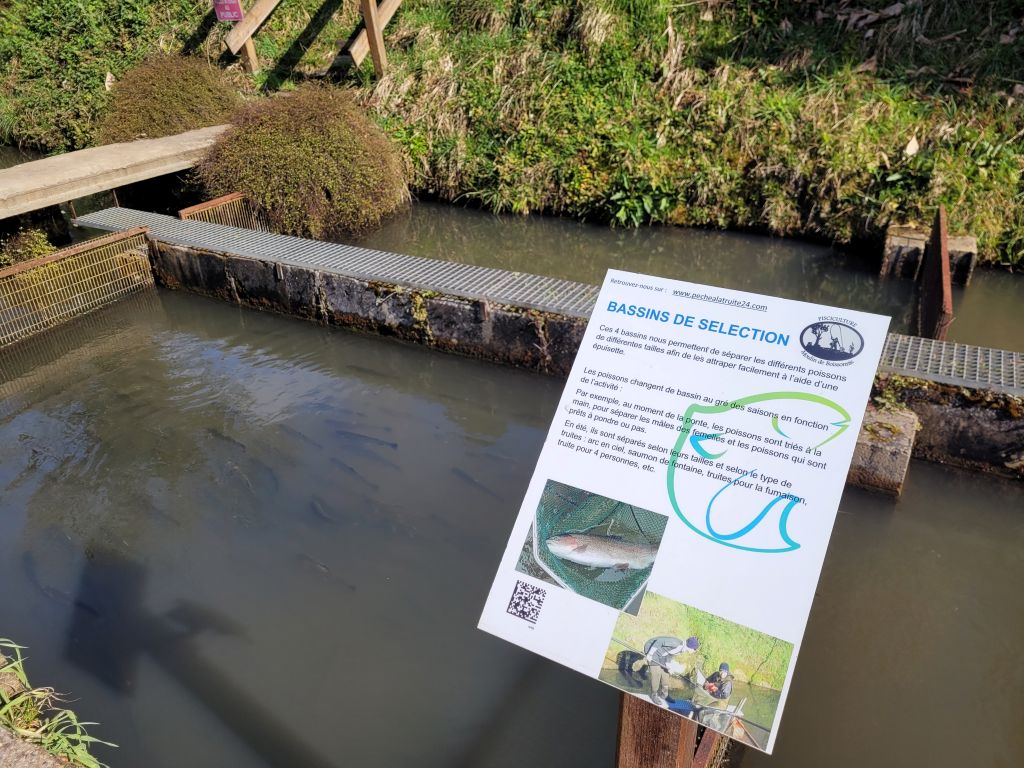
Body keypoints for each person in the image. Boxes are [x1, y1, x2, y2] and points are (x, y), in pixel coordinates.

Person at [631, 635, 699, 707]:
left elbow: (670, 654)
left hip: (662, 655)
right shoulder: (676, 643)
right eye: (694, 649)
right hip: (652, 649)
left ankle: (664, 694)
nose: (694, 651)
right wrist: (650, 654)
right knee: (656, 673)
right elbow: (659, 642)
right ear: (690, 646)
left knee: (666, 673)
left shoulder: (682, 648)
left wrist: (668, 665)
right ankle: (654, 694)